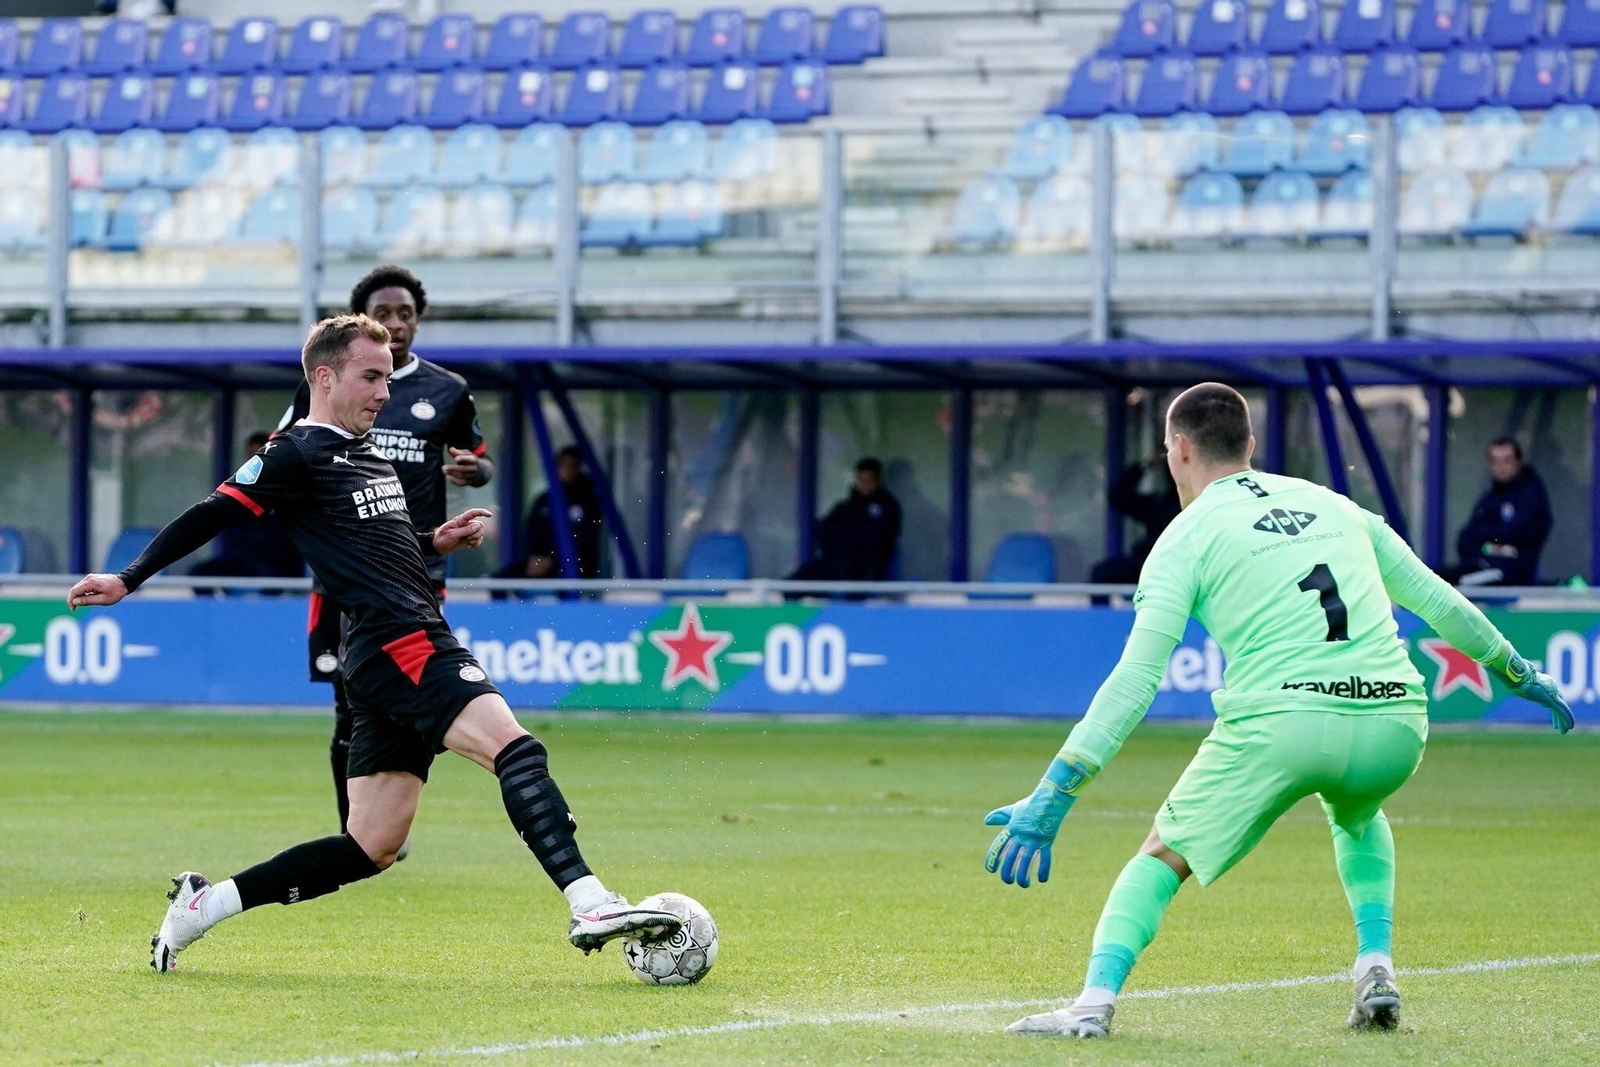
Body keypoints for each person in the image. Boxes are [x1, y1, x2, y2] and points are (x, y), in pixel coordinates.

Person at [67, 315, 678, 973]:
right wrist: (128, 578)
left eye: (388, 376)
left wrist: (433, 542)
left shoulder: (365, 450)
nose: (386, 390)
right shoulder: (294, 451)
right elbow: (211, 511)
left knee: (369, 845)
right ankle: (589, 899)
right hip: (401, 640)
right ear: (325, 377)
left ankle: (203, 905)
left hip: (382, 649)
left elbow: (370, 545)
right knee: (515, 746)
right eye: (372, 375)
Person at [982, 383, 1573, 1039]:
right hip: (1395, 721)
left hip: (1285, 722)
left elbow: (1136, 678)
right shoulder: (1335, 504)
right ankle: (1375, 965)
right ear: (1250, 446)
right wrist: (1516, 669)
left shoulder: (1186, 537)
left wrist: (1056, 790)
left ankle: (1091, 1005)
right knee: (1357, 809)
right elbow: (1439, 600)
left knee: (1161, 853)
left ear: (1177, 449)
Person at [278, 265, 493, 837]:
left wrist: (475, 471)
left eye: (405, 314)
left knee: (408, 696)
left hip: (418, 568)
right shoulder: (328, 385)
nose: (395, 325)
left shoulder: (446, 390)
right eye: (383, 314)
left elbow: (481, 456)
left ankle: (379, 826)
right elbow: (284, 449)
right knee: (346, 704)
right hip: (340, 574)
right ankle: (355, 832)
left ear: (419, 320)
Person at [187, 432, 304, 581]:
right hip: (241, 563)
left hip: (274, 567)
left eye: (260, 455)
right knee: (199, 573)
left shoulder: (288, 492)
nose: (254, 461)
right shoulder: (238, 490)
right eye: (251, 456)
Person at [1447, 437, 1552, 587]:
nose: (1501, 467)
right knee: (1434, 579)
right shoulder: (1490, 498)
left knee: (1454, 587)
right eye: (1495, 461)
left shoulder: (1532, 495)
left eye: (1507, 461)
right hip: (1480, 566)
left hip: (1514, 575)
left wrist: (1487, 540)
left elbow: (1515, 534)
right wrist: (1492, 546)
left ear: (1518, 462)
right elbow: (1465, 539)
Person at [497, 445, 604, 581]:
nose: (568, 470)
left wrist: (553, 560)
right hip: (541, 562)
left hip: (577, 566)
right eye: (563, 465)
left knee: (567, 584)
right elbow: (532, 533)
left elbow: (586, 539)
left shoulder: (590, 502)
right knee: (502, 580)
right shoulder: (544, 501)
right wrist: (535, 557)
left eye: (573, 465)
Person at [790, 458, 902, 582]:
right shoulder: (845, 508)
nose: (865, 485)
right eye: (861, 480)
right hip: (834, 565)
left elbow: (876, 541)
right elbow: (823, 530)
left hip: (864, 571)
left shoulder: (887, 508)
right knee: (794, 585)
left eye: (869, 480)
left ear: (878, 481)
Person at [1089, 452, 1182, 586]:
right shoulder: (1159, 504)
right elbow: (1119, 496)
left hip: (1180, 567)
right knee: (1101, 573)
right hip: (1148, 563)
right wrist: (1146, 465)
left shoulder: (1201, 503)